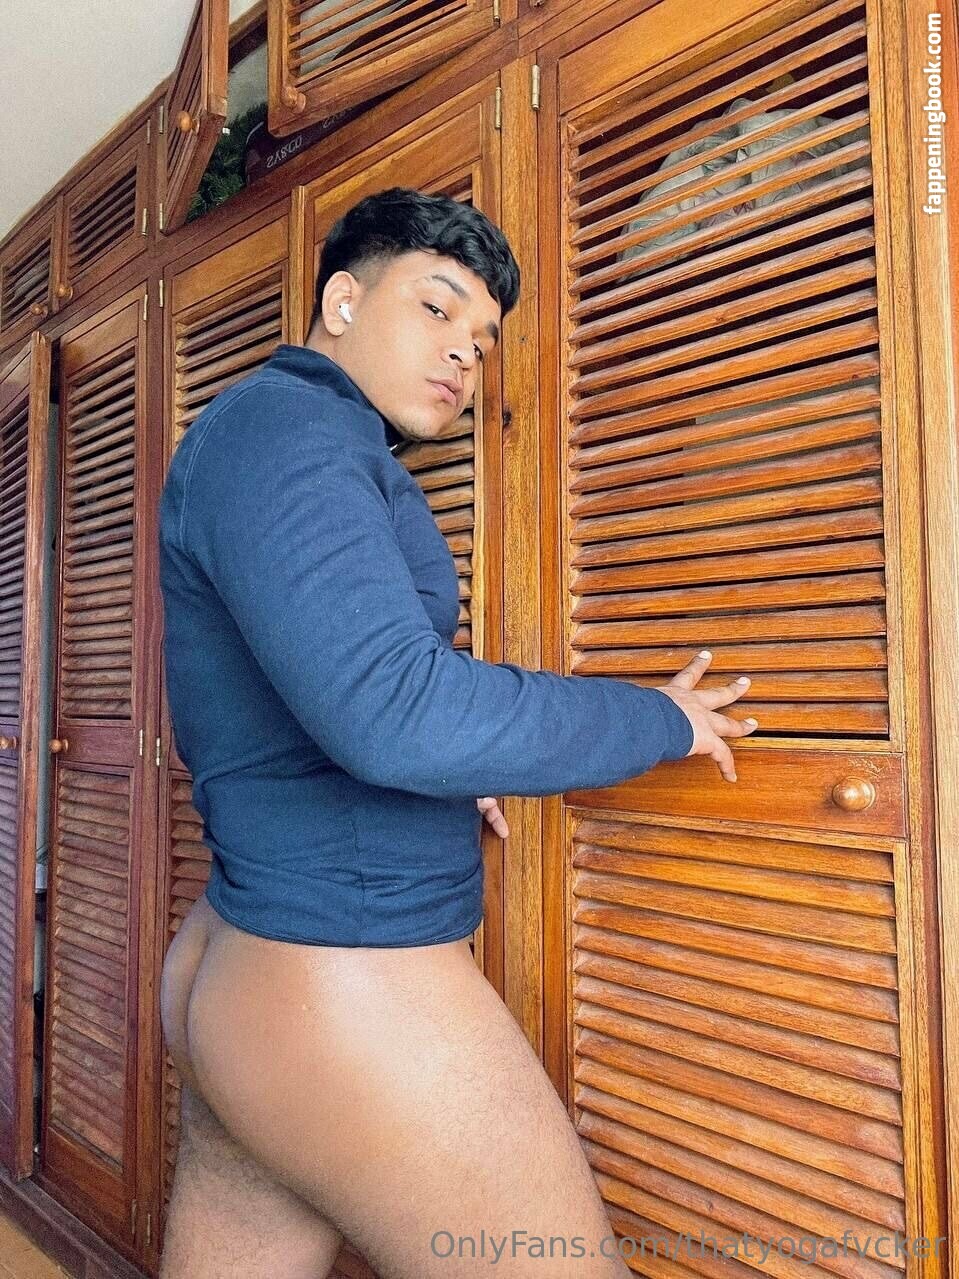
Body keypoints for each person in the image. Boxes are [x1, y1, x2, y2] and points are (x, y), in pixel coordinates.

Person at [156, 187, 757, 1278]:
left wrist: (450, 766)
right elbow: (394, 713)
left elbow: (327, 694)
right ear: (343, 301)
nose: (462, 355)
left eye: (480, 340)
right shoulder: (289, 433)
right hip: (340, 972)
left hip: (262, 964)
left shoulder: (307, 445)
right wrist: (658, 718)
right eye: (436, 308)